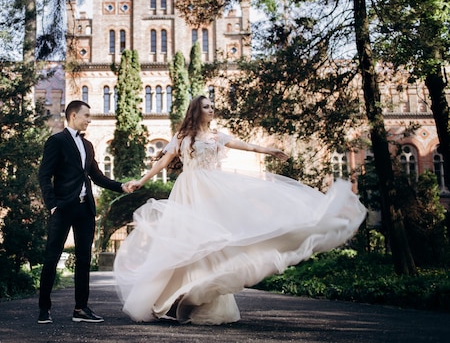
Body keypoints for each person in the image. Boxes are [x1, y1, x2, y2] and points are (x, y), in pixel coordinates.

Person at [114, 95, 367, 325]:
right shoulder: (182, 137)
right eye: (206, 107)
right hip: (188, 191)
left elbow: (246, 145)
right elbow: (162, 161)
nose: (211, 110)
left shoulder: (217, 137)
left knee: (214, 245)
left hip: (211, 193)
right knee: (186, 244)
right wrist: (141, 181)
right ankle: (173, 298)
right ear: (196, 111)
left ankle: (201, 300)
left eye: (213, 106)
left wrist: (269, 150)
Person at [37, 100, 132, 324]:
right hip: (62, 208)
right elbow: (44, 175)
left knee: (83, 259)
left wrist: (122, 186)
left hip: (85, 208)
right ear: (73, 116)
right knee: (52, 257)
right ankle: (44, 309)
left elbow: (97, 177)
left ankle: (80, 309)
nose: (89, 119)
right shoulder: (57, 141)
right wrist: (52, 204)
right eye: (86, 115)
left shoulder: (88, 145)